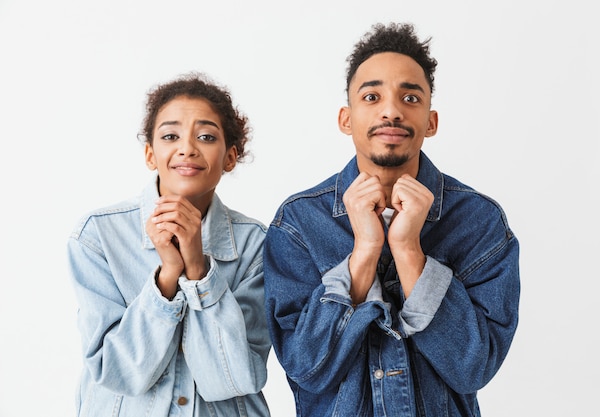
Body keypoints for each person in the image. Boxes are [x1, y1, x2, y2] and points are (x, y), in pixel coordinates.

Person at [263, 22, 520, 417]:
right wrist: (364, 252)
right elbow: (306, 368)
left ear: (431, 122)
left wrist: (407, 250)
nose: (391, 111)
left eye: (410, 97)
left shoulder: (479, 221)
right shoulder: (298, 222)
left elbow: (474, 367)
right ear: (346, 119)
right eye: (372, 96)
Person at [68, 73, 271, 417]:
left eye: (206, 136)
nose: (187, 148)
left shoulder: (257, 243)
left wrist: (198, 270)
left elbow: (232, 379)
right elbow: (119, 372)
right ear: (151, 154)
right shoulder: (98, 235)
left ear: (230, 157)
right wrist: (168, 276)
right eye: (170, 136)